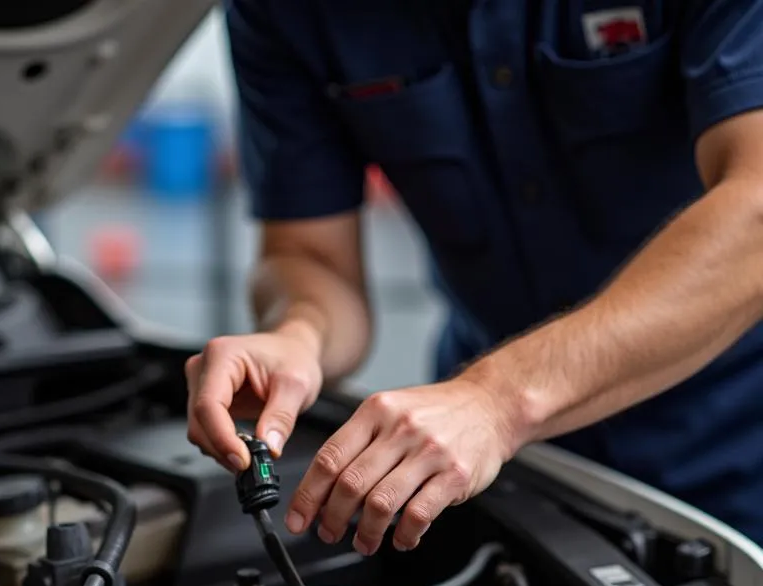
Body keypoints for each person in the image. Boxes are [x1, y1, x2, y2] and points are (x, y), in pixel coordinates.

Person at [184, 0, 763, 552]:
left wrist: (496, 400)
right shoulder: (288, 10)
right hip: (500, 469)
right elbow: (313, 256)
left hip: (736, 443)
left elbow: (755, 211)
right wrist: (298, 335)